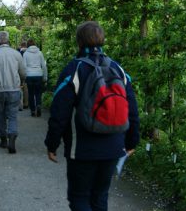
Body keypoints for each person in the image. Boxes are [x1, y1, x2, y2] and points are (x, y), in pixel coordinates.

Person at [45, 21, 140, 211]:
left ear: (79, 42)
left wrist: (52, 144)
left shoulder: (74, 70)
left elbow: (59, 112)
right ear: (103, 40)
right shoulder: (118, 69)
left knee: (80, 198)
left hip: (82, 149)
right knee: (100, 197)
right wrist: (131, 142)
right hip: (114, 146)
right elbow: (132, 109)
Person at [0, 31, 26, 154]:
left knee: (1, 114)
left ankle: (3, 139)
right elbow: (23, 72)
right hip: (13, 88)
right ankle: (12, 136)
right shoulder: (16, 54)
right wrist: (22, 81)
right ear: (8, 40)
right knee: (12, 115)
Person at [22, 39, 47, 117]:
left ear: (28, 45)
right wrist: (45, 76)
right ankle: (38, 105)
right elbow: (44, 65)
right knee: (38, 93)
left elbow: (24, 66)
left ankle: (32, 110)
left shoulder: (25, 54)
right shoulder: (40, 53)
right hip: (38, 74)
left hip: (29, 75)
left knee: (31, 94)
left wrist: (24, 77)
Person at [18, 41, 30, 110]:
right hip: (29, 72)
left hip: (21, 71)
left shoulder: (20, 53)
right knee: (26, 88)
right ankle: (27, 103)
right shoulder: (29, 52)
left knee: (20, 87)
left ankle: (21, 103)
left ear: (21, 46)